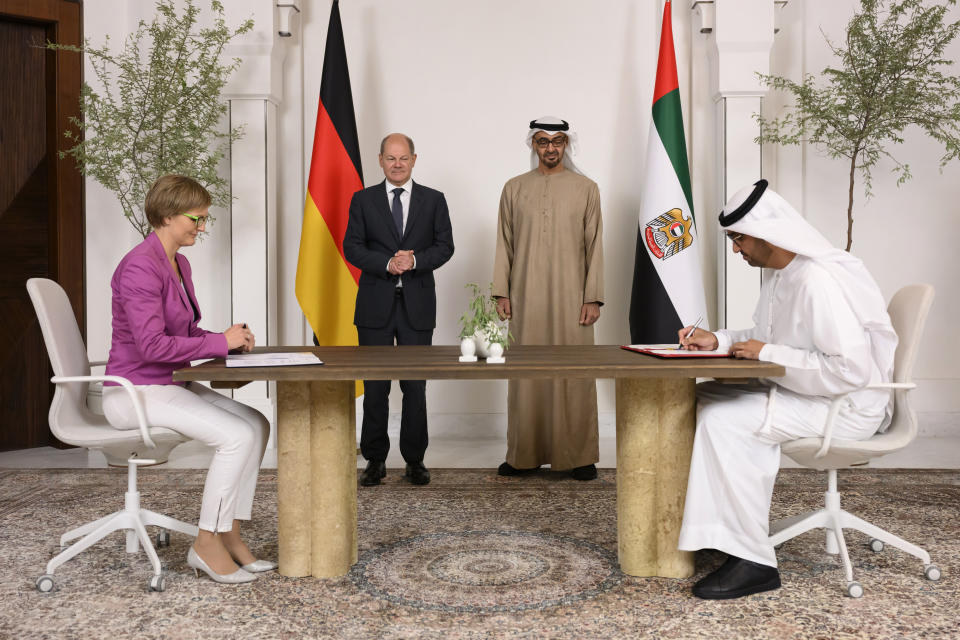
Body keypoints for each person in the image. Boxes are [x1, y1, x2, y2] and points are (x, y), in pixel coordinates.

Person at [677, 179, 897, 599]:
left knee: (726, 421)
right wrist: (718, 340)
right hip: (816, 394)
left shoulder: (817, 282)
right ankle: (721, 530)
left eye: (738, 239)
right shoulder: (781, 276)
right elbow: (762, 336)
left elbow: (850, 370)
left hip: (844, 406)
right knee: (702, 397)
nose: (736, 249)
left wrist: (765, 352)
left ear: (767, 233)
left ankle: (754, 561)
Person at [101, 175, 273, 585]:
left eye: (203, 219)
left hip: (166, 383)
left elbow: (186, 331)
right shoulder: (139, 267)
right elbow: (150, 347)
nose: (201, 227)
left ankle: (228, 528)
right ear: (166, 215)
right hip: (135, 389)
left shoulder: (179, 262)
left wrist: (226, 340)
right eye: (196, 219)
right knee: (235, 436)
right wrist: (217, 343)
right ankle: (206, 542)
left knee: (256, 424)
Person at [492, 116, 605, 481]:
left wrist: (594, 297)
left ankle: (580, 456)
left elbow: (595, 246)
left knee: (574, 372)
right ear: (533, 145)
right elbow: (504, 244)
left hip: (573, 298)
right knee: (526, 374)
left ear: (566, 145)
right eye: (543, 141)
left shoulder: (587, 188)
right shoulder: (514, 188)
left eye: (557, 142)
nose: (550, 148)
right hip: (525, 296)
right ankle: (522, 455)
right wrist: (501, 292)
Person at [343, 133, 454, 487]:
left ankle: (415, 460)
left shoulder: (434, 200)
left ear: (414, 159)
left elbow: (445, 246)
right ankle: (374, 460)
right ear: (380, 161)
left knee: (415, 387)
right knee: (375, 387)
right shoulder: (363, 200)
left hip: (417, 307)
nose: (397, 164)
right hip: (374, 305)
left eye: (403, 158)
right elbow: (352, 247)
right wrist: (387, 263)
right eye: (390, 158)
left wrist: (416, 259)